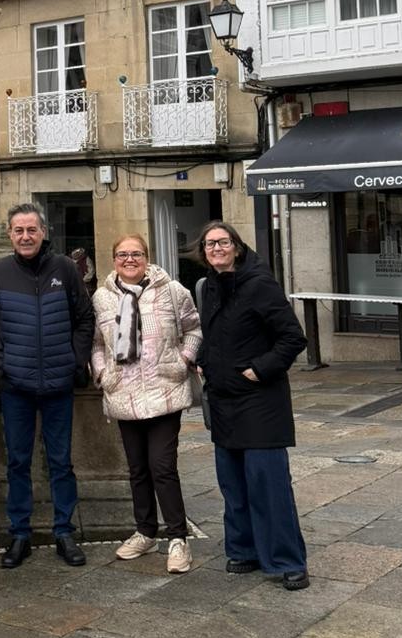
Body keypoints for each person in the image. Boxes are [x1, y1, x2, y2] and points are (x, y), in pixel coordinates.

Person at [0, 204, 96, 569]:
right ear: (9, 235)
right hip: (17, 387)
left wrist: (75, 360)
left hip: (59, 383)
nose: (25, 236)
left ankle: (63, 531)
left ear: (43, 232)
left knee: (61, 462)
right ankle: (20, 534)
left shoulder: (65, 270)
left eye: (31, 229)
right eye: (18, 230)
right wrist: (4, 363)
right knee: (18, 462)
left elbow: (84, 317)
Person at [195, 220, 310, 590]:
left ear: (237, 247)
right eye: (210, 244)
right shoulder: (209, 287)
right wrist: (203, 359)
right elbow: (217, 334)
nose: (216, 249)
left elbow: (293, 338)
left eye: (223, 242)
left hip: (260, 402)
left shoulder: (260, 284)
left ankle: (287, 560)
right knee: (233, 484)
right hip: (225, 401)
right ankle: (244, 549)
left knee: (269, 485)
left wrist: (259, 370)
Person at [91, 234, 201, 574]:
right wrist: (100, 373)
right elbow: (96, 343)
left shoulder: (172, 291)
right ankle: (145, 531)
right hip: (123, 393)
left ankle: (178, 537)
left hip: (163, 391)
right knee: (137, 468)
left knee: (162, 467)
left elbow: (194, 328)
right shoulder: (102, 298)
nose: (129, 259)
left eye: (136, 253)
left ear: (147, 257)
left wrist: (183, 359)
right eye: (122, 254)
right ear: (113, 260)